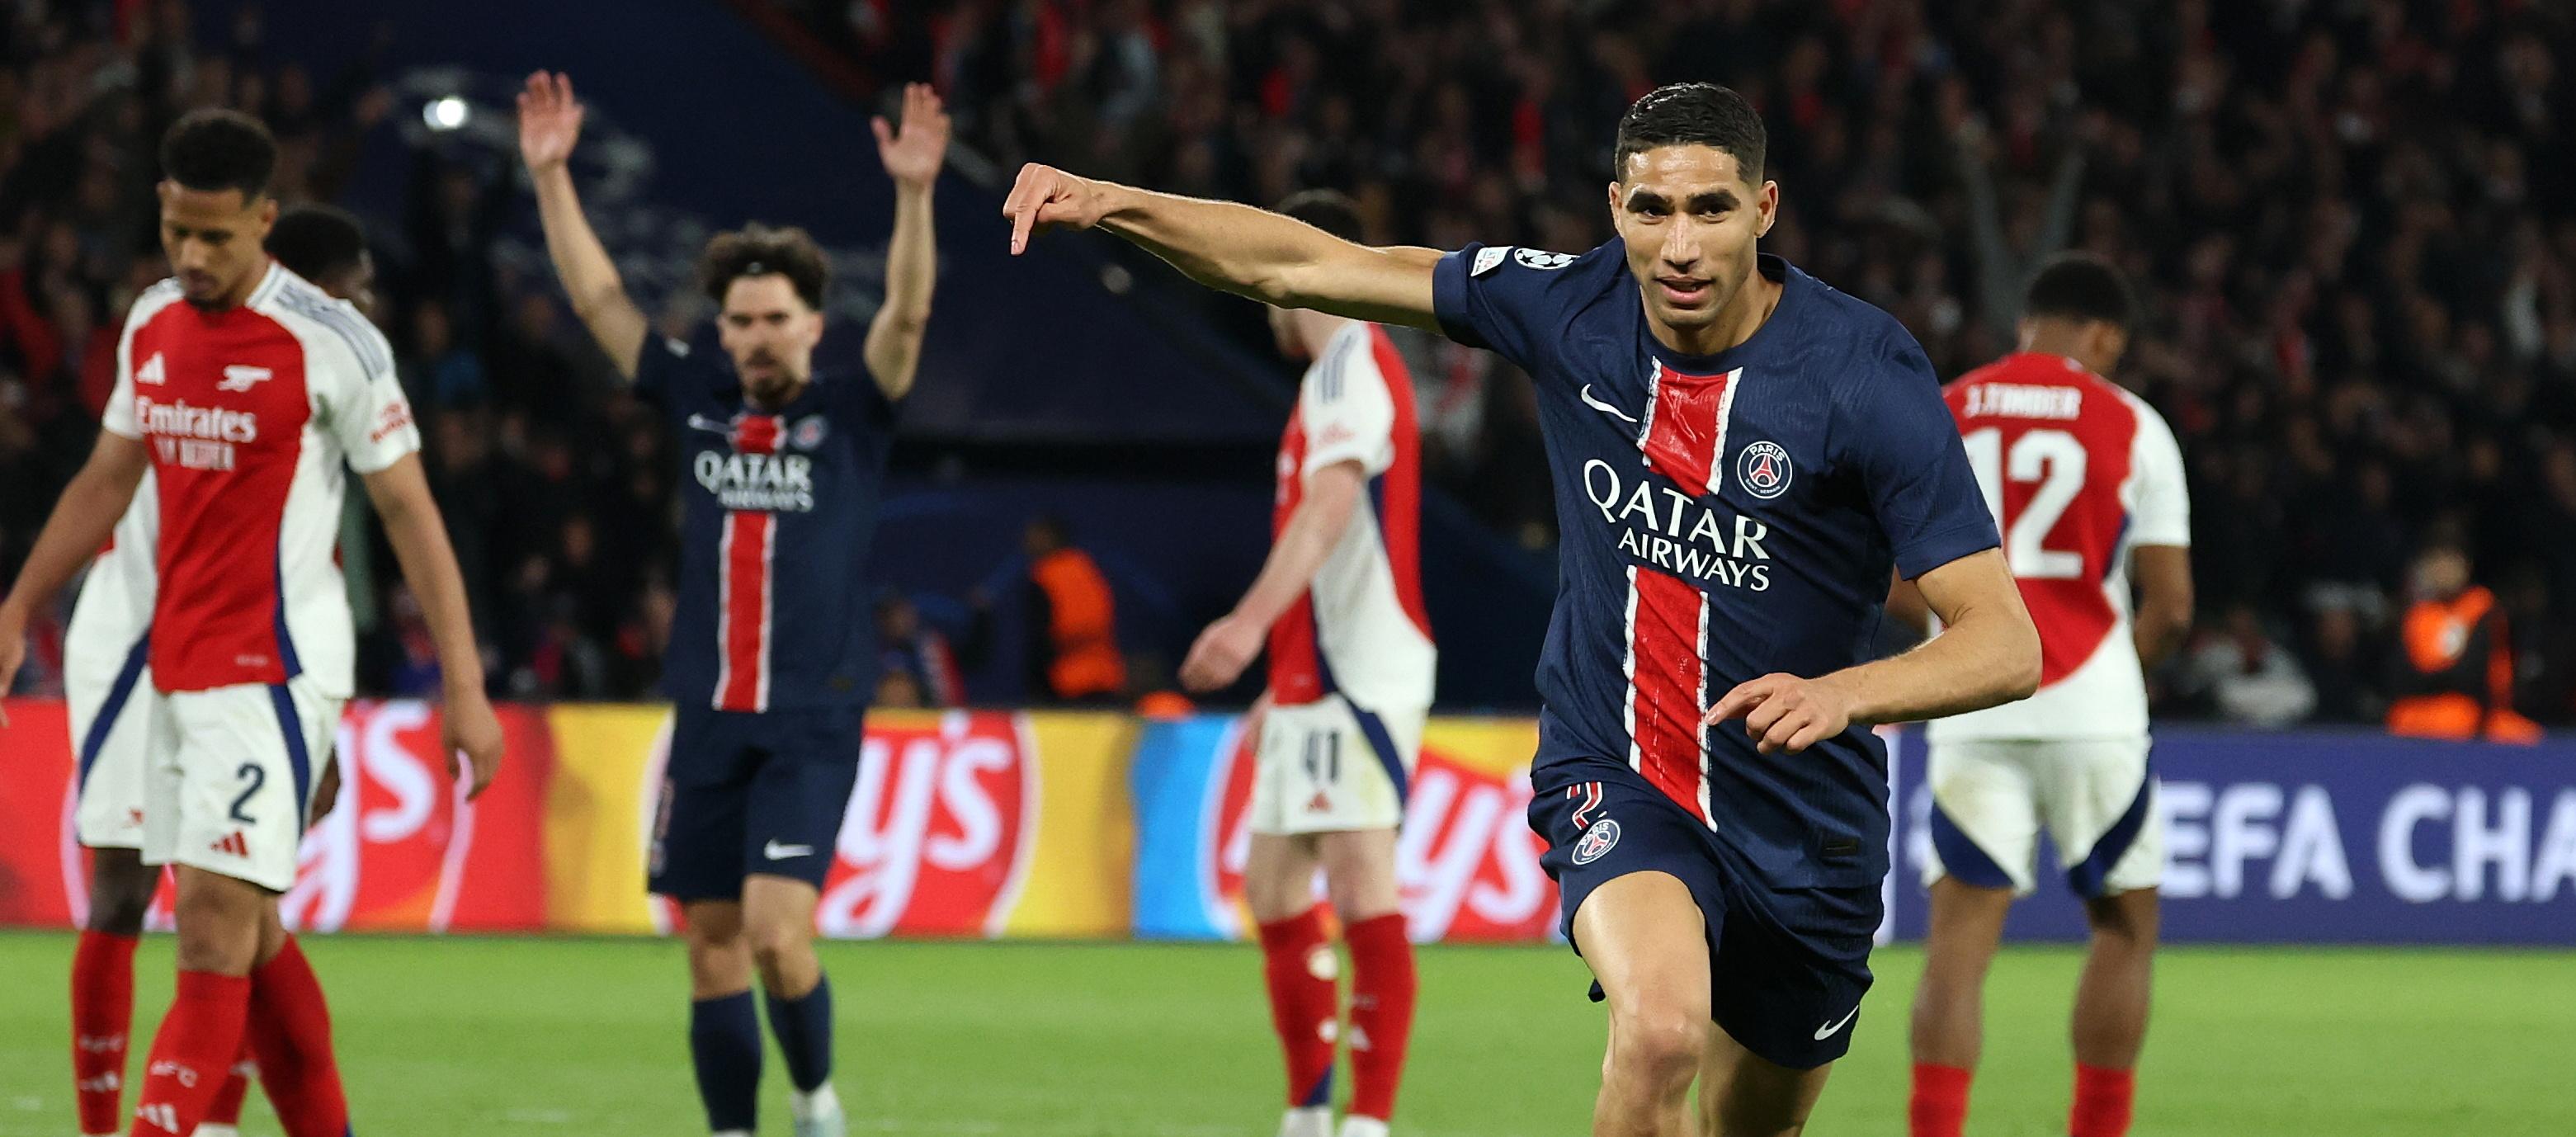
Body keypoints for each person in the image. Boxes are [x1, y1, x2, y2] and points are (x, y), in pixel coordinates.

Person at [1003, 82, 2041, 1137]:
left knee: (1749, 1121)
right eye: (1651, 211)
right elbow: (1304, 263)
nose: (1679, 244)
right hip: (1619, 769)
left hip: (1805, 816)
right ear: (1613, 208)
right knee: (1660, 1031)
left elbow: (2004, 641)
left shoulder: (1864, 373)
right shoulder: (1564, 307)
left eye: (1710, 209)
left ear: (1763, 210)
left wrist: (1842, 695)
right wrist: (1110, 201)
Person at [0, 109, 502, 1137]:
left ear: (265, 220)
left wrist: (465, 687)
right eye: (177, 230)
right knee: (249, 931)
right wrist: (15, 609)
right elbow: (107, 478)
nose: (192, 255)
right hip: (177, 669)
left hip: (272, 670)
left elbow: (411, 511)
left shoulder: (334, 343)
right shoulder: (152, 322)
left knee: (211, 933)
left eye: (215, 237)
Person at [517, 73, 947, 1137]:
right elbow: (600, 303)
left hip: (810, 716)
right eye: (739, 321)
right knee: (708, 945)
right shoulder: (697, 400)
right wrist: (551, 176)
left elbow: (908, 310)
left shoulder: (855, 411)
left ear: (812, 325)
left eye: (774, 320)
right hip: (707, 713)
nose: (754, 337)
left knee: (774, 935)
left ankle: (814, 1098)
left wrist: (913, 196)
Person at [50, 199, 387, 1137]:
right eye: (348, 295)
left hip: (254, 662)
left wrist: (318, 712)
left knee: (237, 917)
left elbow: (313, 563)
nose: (355, 316)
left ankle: (214, 1121)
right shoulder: (183, 335)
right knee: (134, 894)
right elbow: (106, 479)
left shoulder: (328, 375)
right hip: (136, 638)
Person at [1890, 254, 2193, 1137]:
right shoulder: (2132, 422)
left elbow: (1888, 580)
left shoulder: (1942, 409)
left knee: (1955, 945)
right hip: (2093, 708)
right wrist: (2114, 677)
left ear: (2027, 322)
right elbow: (2171, 607)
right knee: (2123, 928)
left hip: (1967, 701)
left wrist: (1955, 640)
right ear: (2102, 336)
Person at [1173, 190, 1435, 1137]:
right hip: (1313, 681)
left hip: (1353, 678)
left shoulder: (1349, 362)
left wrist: (1244, 624)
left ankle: (1362, 1120)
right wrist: (1275, 680)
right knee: (1275, 887)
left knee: (1362, 886)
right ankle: (1306, 1109)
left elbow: (1329, 508)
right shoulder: (1340, 374)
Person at [2385, 545, 2544, 742]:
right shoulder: (2417, 615)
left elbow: (2473, 674)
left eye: (2451, 563)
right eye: (2437, 564)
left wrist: (2433, 675)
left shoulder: (2483, 609)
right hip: (2419, 711)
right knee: (2401, 718)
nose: (2444, 571)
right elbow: (2401, 677)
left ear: (2466, 568)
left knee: (2527, 737)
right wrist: (2439, 677)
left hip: (2476, 710)